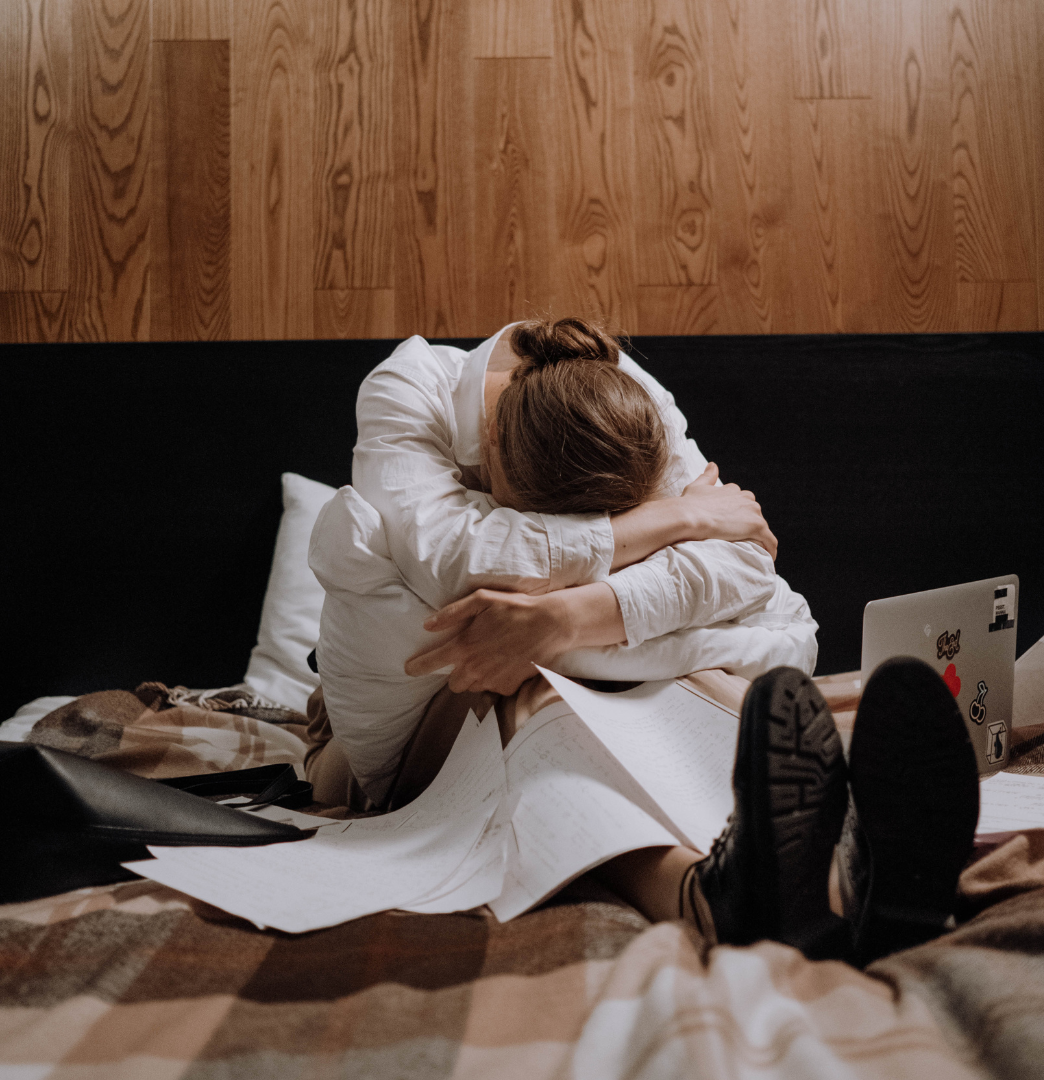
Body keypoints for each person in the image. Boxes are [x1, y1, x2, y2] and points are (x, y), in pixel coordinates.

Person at [308, 318, 979, 963]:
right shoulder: (410, 389)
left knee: (674, 679)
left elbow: (743, 560)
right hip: (382, 731)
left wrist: (563, 617)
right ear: (487, 441)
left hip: (548, 667)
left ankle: (844, 875)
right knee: (539, 695)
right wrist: (675, 516)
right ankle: (707, 896)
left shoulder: (624, 396)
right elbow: (464, 560)